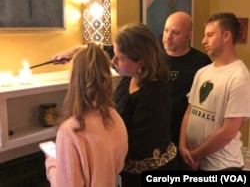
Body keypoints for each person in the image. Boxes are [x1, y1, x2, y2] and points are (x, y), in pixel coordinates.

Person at [52, 22, 178, 187]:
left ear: (140, 61)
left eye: (120, 58)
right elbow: (106, 51)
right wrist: (76, 51)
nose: (113, 60)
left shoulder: (154, 95)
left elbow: (134, 145)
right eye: (115, 54)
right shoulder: (130, 74)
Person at [44, 43, 128, 187]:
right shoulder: (115, 118)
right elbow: (119, 165)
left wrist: (51, 164)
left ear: (74, 80)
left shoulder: (69, 131)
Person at [179, 12, 250, 171]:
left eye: (209, 35)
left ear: (226, 36)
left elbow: (228, 132)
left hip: (223, 166)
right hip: (194, 161)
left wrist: (195, 155)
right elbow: (189, 111)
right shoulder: (202, 72)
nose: (203, 41)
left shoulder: (239, 77)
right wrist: (183, 147)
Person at [162, 11, 212, 168]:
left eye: (175, 32)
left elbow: (206, 105)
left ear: (188, 36)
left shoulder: (201, 62)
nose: (168, 36)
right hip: (159, 137)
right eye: (166, 30)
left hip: (188, 139)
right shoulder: (154, 60)